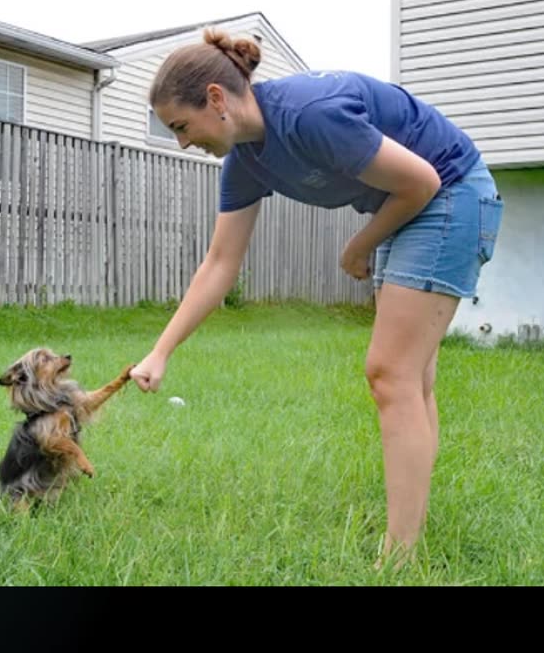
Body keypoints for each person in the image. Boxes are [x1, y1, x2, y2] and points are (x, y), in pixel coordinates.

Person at [129, 28, 504, 569]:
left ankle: (398, 561)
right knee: (410, 378)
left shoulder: (309, 114)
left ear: (216, 99)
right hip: (410, 205)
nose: (183, 143)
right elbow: (220, 263)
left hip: (450, 191)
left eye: (181, 127)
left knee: (390, 373)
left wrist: (358, 246)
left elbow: (421, 181)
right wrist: (160, 352)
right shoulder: (246, 161)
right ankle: (410, 527)